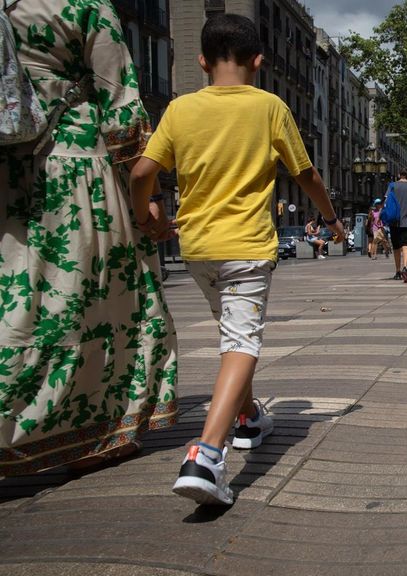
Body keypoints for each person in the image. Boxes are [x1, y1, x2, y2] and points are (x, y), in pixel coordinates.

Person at [129, 13, 344, 505]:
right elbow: (306, 174)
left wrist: (149, 220)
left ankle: (248, 417)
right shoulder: (269, 107)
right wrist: (330, 219)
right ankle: (206, 455)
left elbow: (142, 173)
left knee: (230, 336)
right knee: (242, 344)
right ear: (259, 60)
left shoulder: (181, 109)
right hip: (246, 246)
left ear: (202, 61)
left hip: (198, 248)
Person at [0, 0, 177, 475]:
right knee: (97, 302)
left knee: (20, 298)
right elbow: (119, 104)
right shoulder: (84, 5)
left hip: (9, 176)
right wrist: (150, 196)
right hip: (73, 165)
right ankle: (100, 428)